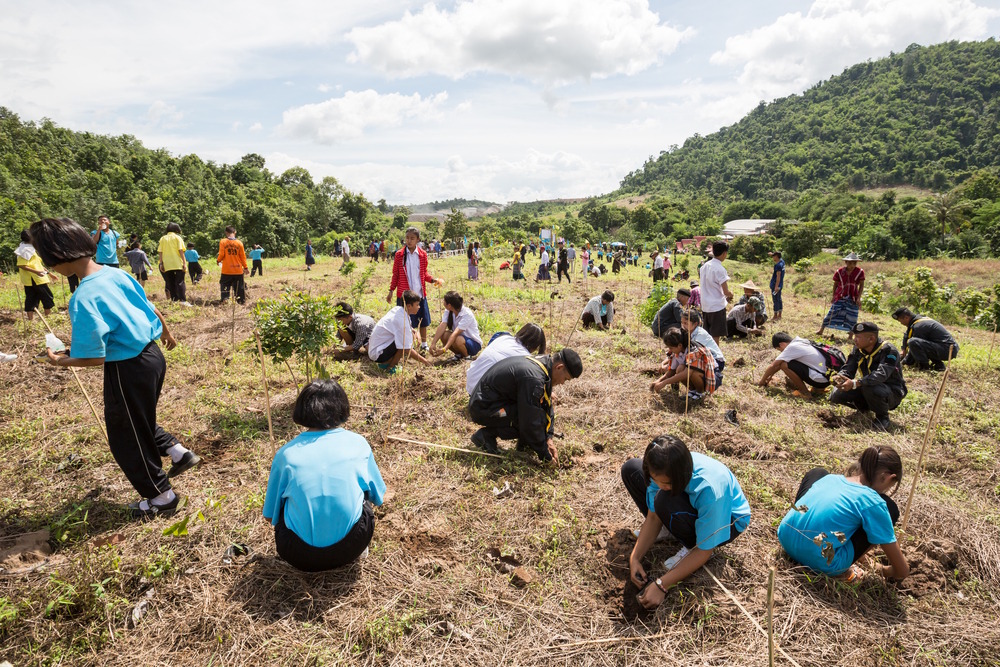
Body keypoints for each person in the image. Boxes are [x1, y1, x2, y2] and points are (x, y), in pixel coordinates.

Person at [32, 217, 201, 518]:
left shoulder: (83, 296)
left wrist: (61, 360)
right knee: (139, 419)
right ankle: (177, 453)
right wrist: (166, 332)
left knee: (126, 436)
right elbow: (150, 309)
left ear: (58, 257)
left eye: (48, 260)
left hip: (126, 368)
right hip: (152, 356)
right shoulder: (116, 274)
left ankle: (162, 497)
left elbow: (95, 357)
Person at [263, 379, 385, 572]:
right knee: (363, 493)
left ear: (302, 409)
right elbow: (377, 497)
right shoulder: (358, 444)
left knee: (285, 500)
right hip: (352, 547)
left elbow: (270, 516)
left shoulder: (285, 455)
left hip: (298, 555)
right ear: (342, 407)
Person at [622, 435, 751, 610]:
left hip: (730, 519)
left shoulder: (709, 489)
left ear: (681, 474)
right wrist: (635, 558)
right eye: (657, 480)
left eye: (666, 483)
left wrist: (662, 585)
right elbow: (653, 517)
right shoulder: (660, 471)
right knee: (631, 469)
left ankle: (689, 544)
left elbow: (704, 551)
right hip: (689, 501)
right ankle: (670, 527)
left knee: (664, 499)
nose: (660, 485)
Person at [778, 446, 908, 582]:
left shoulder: (830, 479)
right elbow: (902, 571)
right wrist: (882, 569)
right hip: (822, 562)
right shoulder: (874, 502)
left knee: (818, 472)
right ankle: (842, 564)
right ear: (888, 478)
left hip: (786, 539)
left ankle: (798, 529)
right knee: (890, 508)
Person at [468, 348, 583, 462]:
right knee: (529, 419)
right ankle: (486, 436)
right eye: (565, 379)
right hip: (484, 408)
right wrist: (545, 455)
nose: (562, 383)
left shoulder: (543, 365)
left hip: (495, 402)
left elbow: (547, 404)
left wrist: (548, 437)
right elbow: (530, 421)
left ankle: (527, 442)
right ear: (559, 367)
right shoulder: (534, 377)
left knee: (536, 414)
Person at [829, 322, 907, 430]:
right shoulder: (858, 349)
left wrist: (856, 383)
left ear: (871, 339)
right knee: (836, 394)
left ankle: (882, 417)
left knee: (871, 386)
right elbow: (849, 368)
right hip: (867, 387)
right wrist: (840, 377)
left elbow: (881, 375)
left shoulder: (888, 350)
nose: (855, 339)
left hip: (891, 392)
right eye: (855, 336)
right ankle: (865, 407)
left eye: (858, 337)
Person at [387, 227, 443, 351]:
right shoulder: (399, 255)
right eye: (407, 238)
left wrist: (433, 280)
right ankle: (408, 345)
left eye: (412, 238)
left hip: (419, 294)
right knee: (405, 322)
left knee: (423, 320)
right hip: (405, 295)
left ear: (418, 239)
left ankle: (424, 344)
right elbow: (396, 274)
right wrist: (391, 290)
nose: (409, 241)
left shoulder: (422, 255)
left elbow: (423, 274)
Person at [465, 323, 546, 395]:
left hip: (471, 382)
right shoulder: (525, 358)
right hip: (482, 395)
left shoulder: (503, 337)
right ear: (536, 346)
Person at [368, 290, 432, 373]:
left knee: (405, 338)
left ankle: (387, 362)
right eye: (417, 305)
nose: (419, 307)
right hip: (378, 354)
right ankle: (391, 367)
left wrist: (416, 332)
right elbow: (407, 349)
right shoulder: (401, 320)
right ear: (409, 306)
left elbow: (409, 328)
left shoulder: (398, 310)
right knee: (403, 343)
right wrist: (425, 362)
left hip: (376, 348)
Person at [758, 332, 833, 399]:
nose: (781, 352)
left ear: (781, 344)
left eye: (779, 349)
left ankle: (805, 393)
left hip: (820, 380)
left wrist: (761, 382)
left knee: (784, 365)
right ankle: (819, 389)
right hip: (827, 379)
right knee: (785, 363)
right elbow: (777, 365)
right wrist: (770, 376)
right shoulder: (801, 341)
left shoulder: (791, 347)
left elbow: (773, 365)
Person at [650, 327, 717, 399]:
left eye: (671, 348)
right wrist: (658, 381)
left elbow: (686, 373)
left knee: (692, 372)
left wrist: (664, 383)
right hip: (698, 375)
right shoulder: (677, 352)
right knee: (680, 368)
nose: (670, 350)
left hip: (711, 376)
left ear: (679, 345)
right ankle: (693, 391)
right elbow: (671, 371)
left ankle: (700, 392)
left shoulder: (694, 351)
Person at [892, 307, 959, 371]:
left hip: (948, 350)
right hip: (943, 347)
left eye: (900, 321)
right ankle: (939, 365)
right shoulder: (917, 320)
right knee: (921, 344)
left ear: (906, 318)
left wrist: (904, 362)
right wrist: (903, 350)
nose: (901, 323)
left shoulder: (919, 326)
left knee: (913, 342)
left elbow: (915, 346)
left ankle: (924, 366)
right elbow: (907, 334)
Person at [817, 252, 865, 338]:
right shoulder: (839, 272)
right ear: (846, 262)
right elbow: (835, 284)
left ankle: (850, 335)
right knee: (832, 312)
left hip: (853, 297)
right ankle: (821, 330)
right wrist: (834, 296)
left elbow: (861, 285)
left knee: (852, 316)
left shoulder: (860, 272)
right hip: (840, 296)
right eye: (850, 263)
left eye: (854, 263)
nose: (852, 265)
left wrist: (858, 297)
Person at [428, 291, 483, 360]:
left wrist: (444, 349)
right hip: (459, 338)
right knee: (444, 335)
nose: (442, 302)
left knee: (457, 339)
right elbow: (443, 325)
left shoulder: (467, 314)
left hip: (473, 344)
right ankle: (458, 355)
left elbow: (455, 333)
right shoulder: (449, 311)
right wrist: (433, 343)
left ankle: (467, 357)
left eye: (444, 301)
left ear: (449, 305)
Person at [15, 229, 55, 321]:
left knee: (32, 297)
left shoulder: (28, 248)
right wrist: (37, 272)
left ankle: (31, 321)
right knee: (46, 297)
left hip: (34, 278)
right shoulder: (25, 250)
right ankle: (48, 319)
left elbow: (37, 264)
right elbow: (21, 265)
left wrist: (49, 273)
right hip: (35, 278)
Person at [699, 241, 733, 343]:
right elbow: (726, 292)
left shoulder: (704, 266)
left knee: (708, 334)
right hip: (716, 306)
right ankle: (715, 353)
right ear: (724, 253)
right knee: (715, 336)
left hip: (705, 305)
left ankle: (708, 352)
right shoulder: (720, 269)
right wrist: (731, 294)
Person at [681, 310, 724, 389]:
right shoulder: (688, 333)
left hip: (716, 361)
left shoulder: (700, 334)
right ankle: (693, 389)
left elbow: (696, 354)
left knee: (692, 370)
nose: (683, 325)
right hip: (704, 358)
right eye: (682, 323)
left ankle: (700, 391)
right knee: (682, 367)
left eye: (686, 323)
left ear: (695, 324)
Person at [217, 226, 249, 304]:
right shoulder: (239, 243)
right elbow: (243, 257)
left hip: (227, 270)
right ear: (235, 232)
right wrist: (245, 267)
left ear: (226, 232)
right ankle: (241, 301)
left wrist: (218, 260)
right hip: (238, 270)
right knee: (239, 288)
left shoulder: (223, 242)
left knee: (225, 285)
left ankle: (225, 299)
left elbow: (221, 254)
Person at [157, 223, 187, 302]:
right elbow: (181, 251)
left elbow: (160, 252)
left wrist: (161, 263)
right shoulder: (177, 238)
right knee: (180, 282)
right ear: (176, 229)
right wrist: (184, 263)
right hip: (178, 263)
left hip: (167, 264)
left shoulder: (163, 238)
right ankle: (183, 300)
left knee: (171, 283)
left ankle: (174, 300)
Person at [770, 251, 785, 321]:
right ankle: (780, 315)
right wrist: (772, 254)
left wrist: (776, 286)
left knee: (775, 300)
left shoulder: (778, 266)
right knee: (779, 299)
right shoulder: (782, 262)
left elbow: (778, 276)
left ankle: (775, 315)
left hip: (776, 285)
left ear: (776, 256)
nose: (772, 257)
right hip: (780, 285)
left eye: (773, 256)